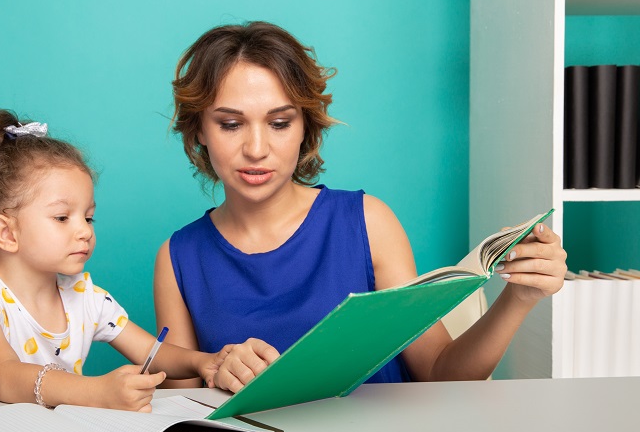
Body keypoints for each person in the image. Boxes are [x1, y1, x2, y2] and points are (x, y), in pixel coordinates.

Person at [154, 21, 567, 391]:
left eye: (279, 123)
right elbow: (184, 418)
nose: (256, 149)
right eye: (230, 124)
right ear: (200, 132)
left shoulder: (368, 222)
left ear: (305, 127)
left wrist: (518, 299)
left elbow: (442, 373)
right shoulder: (178, 257)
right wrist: (217, 370)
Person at [0, 109, 263, 411]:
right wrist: (98, 392)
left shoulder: (86, 298)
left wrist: (204, 362)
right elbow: (5, 377)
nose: (84, 231)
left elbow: (154, 352)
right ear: (7, 233)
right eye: (63, 217)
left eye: (89, 218)